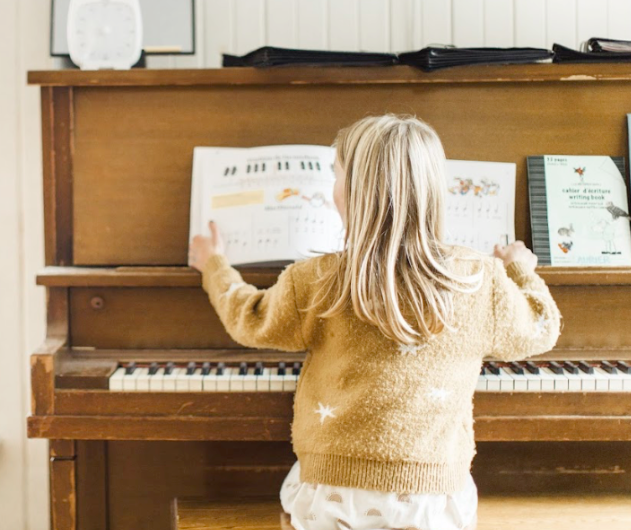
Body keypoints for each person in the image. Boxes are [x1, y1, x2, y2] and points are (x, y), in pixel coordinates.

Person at [188, 114, 561, 530]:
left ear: (350, 194)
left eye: (336, 175)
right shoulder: (480, 278)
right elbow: (541, 328)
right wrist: (522, 269)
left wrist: (214, 265)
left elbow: (249, 319)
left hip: (333, 499)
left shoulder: (313, 278)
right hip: (434, 503)